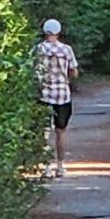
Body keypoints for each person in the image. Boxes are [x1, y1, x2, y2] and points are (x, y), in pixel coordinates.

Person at [34, 15, 80, 170]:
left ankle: (46, 166)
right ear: (58, 32)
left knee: (45, 132)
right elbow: (74, 71)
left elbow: (33, 70)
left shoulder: (39, 49)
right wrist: (67, 77)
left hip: (44, 94)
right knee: (61, 132)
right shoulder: (66, 49)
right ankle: (60, 165)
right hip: (63, 95)